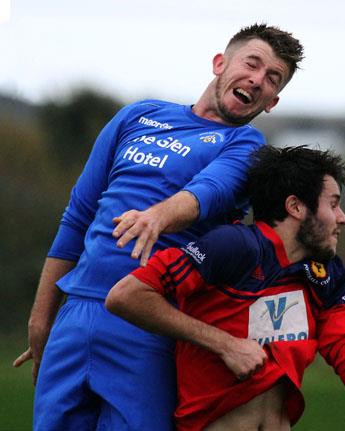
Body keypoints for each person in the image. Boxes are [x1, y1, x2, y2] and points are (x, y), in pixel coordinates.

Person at [14, 24, 304, 430]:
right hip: (75, 315)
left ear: (272, 101)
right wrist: (41, 318)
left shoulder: (245, 145)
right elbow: (78, 214)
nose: (257, 80)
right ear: (220, 63)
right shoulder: (139, 115)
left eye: (272, 79)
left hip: (150, 322)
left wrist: (157, 216)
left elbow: (209, 192)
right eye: (252, 64)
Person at [105, 145, 345, 430]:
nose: (343, 218)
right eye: (333, 205)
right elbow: (126, 296)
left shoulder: (327, 275)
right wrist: (225, 344)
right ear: (295, 206)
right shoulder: (233, 247)